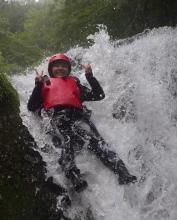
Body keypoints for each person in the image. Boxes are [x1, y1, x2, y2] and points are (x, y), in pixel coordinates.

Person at [27, 53, 137, 192]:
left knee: (99, 143)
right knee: (65, 145)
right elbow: (31, 106)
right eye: (56, 66)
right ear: (50, 69)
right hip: (57, 120)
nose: (60, 68)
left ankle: (123, 173)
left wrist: (90, 77)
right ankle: (74, 178)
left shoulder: (75, 84)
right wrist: (37, 85)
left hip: (78, 117)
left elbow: (99, 95)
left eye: (63, 66)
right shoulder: (43, 85)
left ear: (68, 69)